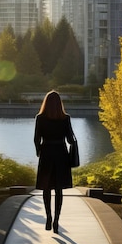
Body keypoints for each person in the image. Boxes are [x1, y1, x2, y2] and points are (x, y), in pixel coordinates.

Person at [34, 90, 76, 234]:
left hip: (46, 153)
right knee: (59, 189)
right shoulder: (65, 118)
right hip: (61, 154)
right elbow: (70, 139)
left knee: (46, 188)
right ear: (59, 104)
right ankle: (57, 220)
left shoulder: (40, 118)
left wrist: (39, 151)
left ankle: (48, 217)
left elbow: (36, 139)